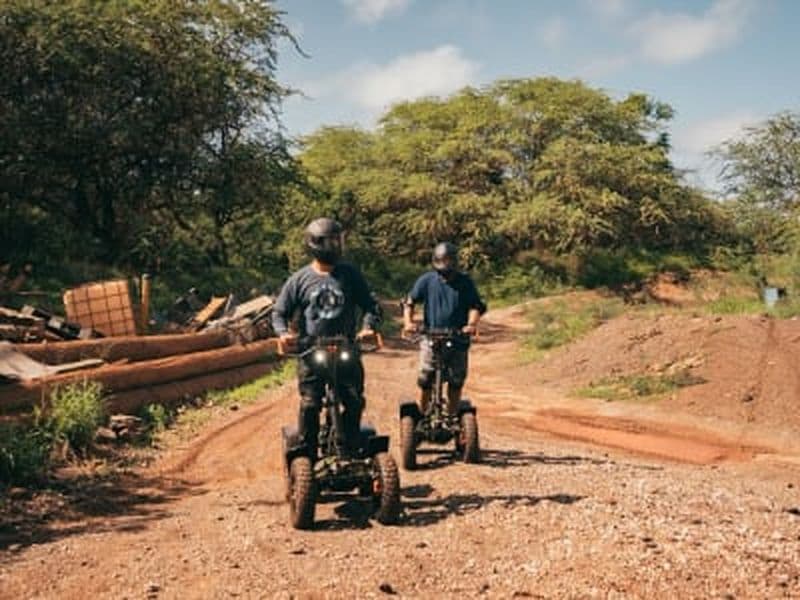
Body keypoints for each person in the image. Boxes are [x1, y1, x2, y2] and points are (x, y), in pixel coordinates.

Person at [272, 217, 382, 459]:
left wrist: (368, 327)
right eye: (330, 241)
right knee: (310, 404)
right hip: (311, 352)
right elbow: (279, 312)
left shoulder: (350, 275)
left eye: (338, 240)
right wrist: (283, 334)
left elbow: (371, 306)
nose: (336, 246)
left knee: (354, 401)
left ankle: (349, 447)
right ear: (315, 244)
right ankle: (308, 456)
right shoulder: (299, 280)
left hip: (346, 348)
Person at [402, 242, 487, 418]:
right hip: (431, 336)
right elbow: (409, 302)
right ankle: (422, 414)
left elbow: (475, 306)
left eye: (449, 261)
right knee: (426, 379)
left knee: (456, 381)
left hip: (457, 337)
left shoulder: (465, 282)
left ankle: (452, 416)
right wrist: (408, 322)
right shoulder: (427, 280)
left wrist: (471, 325)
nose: (445, 267)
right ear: (435, 262)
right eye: (441, 262)